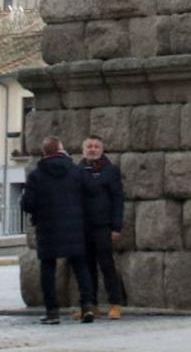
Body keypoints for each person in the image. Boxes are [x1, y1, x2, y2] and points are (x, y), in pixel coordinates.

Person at [20, 136, 96, 324]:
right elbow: (91, 192)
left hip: (47, 228)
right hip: (74, 226)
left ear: (44, 152)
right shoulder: (76, 171)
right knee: (80, 266)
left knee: (48, 269)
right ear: (61, 150)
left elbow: (27, 204)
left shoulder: (36, 175)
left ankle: (52, 312)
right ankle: (87, 306)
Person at [72, 134, 125, 321]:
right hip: (83, 226)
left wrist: (116, 226)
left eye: (96, 146)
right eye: (89, 146)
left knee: (107, 266)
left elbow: (118, 199)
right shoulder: (77, 171)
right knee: (87, 268)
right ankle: (89, 305)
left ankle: (115, 303)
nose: (92, 149)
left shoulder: (111, 171)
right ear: (83, 150)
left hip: (103, 226)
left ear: (101, 150)